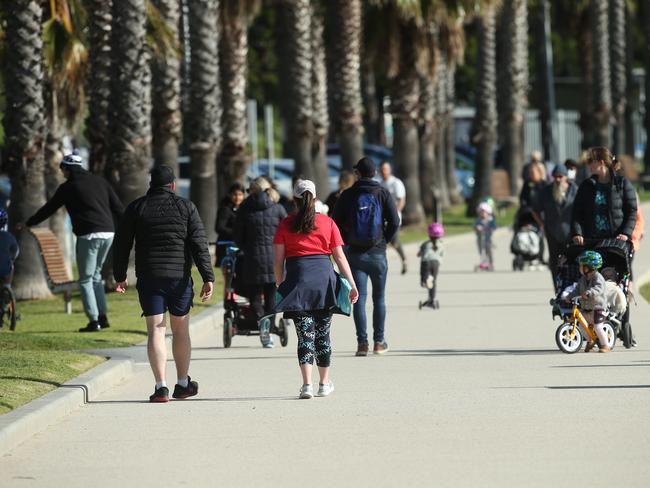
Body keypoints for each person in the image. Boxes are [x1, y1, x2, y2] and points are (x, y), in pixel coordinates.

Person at [113, 165, 214, 403]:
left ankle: (160, 387)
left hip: (149, 277)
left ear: (151, 184)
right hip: (179, 278)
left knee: (156, 330)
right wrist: (207, 276)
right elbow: (199, 244)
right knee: (180, 330)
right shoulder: (186, 207)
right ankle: (182, 383)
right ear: (173, 185)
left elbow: (121, 244)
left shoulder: (137, 207)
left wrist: (119, 275)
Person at [272, 180, 358, 399]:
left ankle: (306, 385)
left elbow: (278, 260)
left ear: (294, 199)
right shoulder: (327, 223)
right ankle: (324, 382)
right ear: (315, 198)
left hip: (298, 283)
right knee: (322, 335)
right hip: (324, 283)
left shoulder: (285, 224)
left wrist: (280, 283)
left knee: (305, 337)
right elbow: (339, 256)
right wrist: (351, 283)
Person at [22, 153, 124, 332]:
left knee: (85, 279)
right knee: (96, 276)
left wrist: (28, 222)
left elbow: (49, 208)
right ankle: (103, 316)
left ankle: (94, 321)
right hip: (108, 233)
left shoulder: (68, 188)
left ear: (68, 169)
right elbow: (118, 208)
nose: (62, 173)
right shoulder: (100, 182)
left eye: (63, 170)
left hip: (89, 236)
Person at [332, 157, 399, 356]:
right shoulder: (383, 193)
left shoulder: (348, 195)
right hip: (378, 253)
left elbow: (335, 222)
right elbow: (394, 221)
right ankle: (379, 342)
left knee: (359, 298)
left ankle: (362, 344)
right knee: (379, 298)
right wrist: (384, 240)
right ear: (375, 173)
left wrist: (347, 241)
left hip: (355, 254)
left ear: (358, 173)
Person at [233, 176, 287, 348]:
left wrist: (246, 247)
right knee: (272, 297)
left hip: (252, 259)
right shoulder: (277, 208)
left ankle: (262, 325)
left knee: (255, 297)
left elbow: (238, 237)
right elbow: (286, 231)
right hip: (273, 259)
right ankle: (269, 329)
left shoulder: (244, 209)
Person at [571, 147, 637, 247]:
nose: (588, 164)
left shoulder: (622, 184)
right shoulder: (586, 185)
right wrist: (577, 233)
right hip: (591, 242)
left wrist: (626, 233)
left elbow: (632, 211)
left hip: (616, 242)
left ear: (601, 162)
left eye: (591, 161)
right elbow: (577, 212)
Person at [534, 164, 578, 283]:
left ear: (566, 177)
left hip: (571, 233)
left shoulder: (575, 190)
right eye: (555, 177)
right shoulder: (546, 192)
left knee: (572, 262)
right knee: (554, 263)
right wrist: (542, 224)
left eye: (560, 176)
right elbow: (535, 210)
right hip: (552, 233)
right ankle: (558, 290)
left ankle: (571, 289)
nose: (557, 180)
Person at [565, 250, 610, 353]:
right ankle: (590, 341)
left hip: (598, 308)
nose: (580, 268)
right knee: (582, 325)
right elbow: (577, 290)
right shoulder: (583, 279)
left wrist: (589, 292)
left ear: (589, 267)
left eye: (582, 266)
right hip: (587, 308)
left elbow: (599, 288)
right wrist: (570, 296)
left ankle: (605, 345)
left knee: (598, 327)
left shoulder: (598, 277)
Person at [378, 160, 407, 274]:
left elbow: (402, 200)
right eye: (382, 169)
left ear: (389, 170)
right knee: (381, 243)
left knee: (394, 241)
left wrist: (394, 213)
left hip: (394, 219)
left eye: (385, 169)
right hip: (381, 219)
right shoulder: (380, 184)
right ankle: (381, 265)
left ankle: (404, 259)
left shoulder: (396, 183)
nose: (383, 171)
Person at [215, 182, 245, 267]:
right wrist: (237, 233)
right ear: (230, 195)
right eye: (235, 194)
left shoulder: (244, 209)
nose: (237, 197)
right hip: (226, 246)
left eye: (240, 194)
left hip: (238, 245)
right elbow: (219, 227)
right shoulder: (225, 209)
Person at [417, 222, 444, 309]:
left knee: (424, 281)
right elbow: (442, 255)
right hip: (436, 263)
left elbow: (419, 254)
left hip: (426, 263)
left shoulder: (425, 244)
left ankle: (426, 281)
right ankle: (432, 299)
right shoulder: (441, 244)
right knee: (433, 281)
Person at [474, 202, 496, 271]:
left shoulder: (490, 220)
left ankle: (490, 263)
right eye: (481, 212)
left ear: (488, 213)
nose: (483, 214)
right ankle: (483, 262)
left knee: (489, 251)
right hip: (480, 239)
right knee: (482, 251)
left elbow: (494, 226)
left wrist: (491, 228)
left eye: (484, 212)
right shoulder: (478, 220)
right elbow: (474, 226)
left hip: (488, 240)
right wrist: (477, 227)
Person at [0, 209, 19, 286]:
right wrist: (11, 259)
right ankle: (7, 286)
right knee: (11, 265)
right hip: (4, 269)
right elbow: (16, 251)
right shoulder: (9, 236)